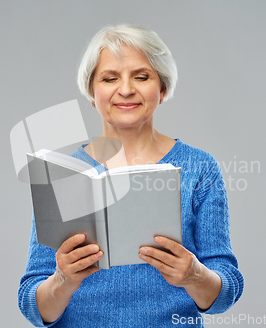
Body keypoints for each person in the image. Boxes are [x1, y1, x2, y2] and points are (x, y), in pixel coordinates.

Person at [18, 24, 244, 327]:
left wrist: (193, 275)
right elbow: (32, 306)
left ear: (162, 89)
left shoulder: (200, 168)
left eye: (142, 76)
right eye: (110, 78)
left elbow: (224, 293)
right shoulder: (63, 176)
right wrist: (63, 279)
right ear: (91, 92)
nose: (126, 89)